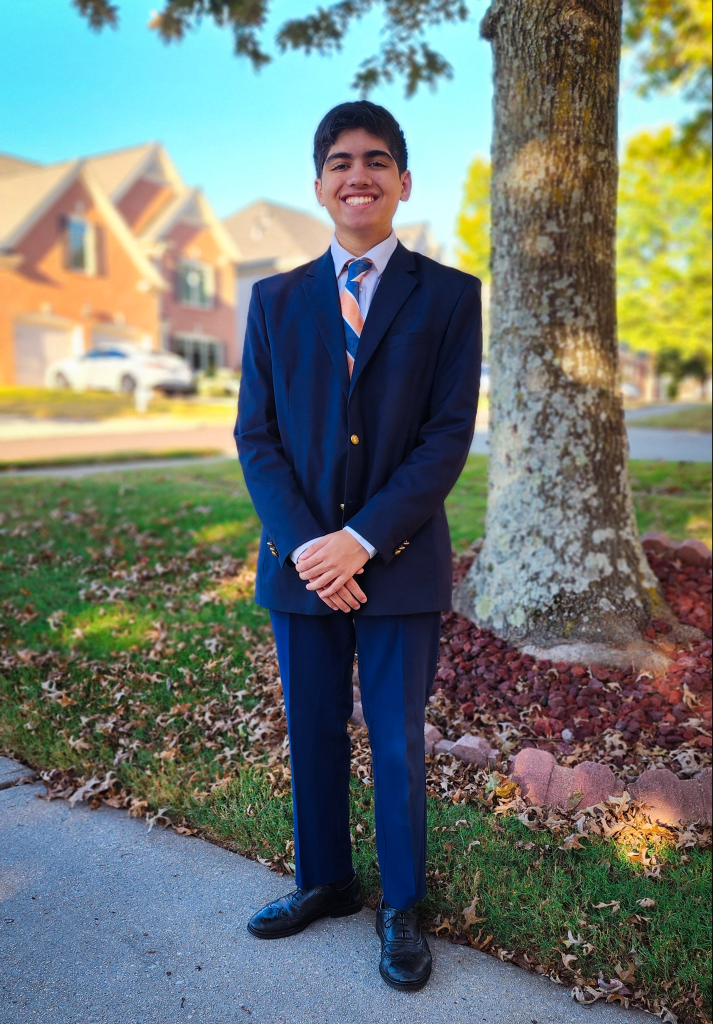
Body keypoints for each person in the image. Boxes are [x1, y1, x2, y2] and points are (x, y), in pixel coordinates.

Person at [235, 100, 482, 992]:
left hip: (399, 564)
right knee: (311, 732)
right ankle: (326, 883)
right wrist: (311, 548)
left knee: (394, 740)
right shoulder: (274, 301)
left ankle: (403, 905)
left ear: (402, 182)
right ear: (319, 185)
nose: (358, 175)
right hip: (300, 568)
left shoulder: (450, 298)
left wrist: (361, 541)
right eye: (340, 161)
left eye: (376, 160)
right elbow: (256, 438)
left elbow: (446, 436)